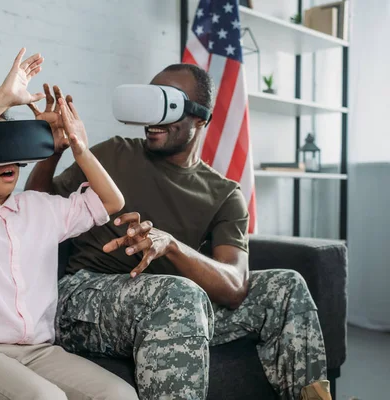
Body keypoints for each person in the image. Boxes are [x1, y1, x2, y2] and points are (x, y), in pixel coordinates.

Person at [25, 64, 331, 400]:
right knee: (179, 295)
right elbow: (37, 212)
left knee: (286, 287)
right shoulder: (114, 152)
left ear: (201, 118)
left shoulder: (224, 194)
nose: (153, 116)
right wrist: (53, 154)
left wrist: (172, 246)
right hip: (84, 296)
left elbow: (234, 287)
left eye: (168, 104)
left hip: (174, 303)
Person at [0, 48, 138, 400]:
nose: (8, 162)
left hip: (39, 353)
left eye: (12, 147)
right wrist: (3, 98)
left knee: (119, 395)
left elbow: (112, 202)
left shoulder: (39, 208)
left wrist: (77, 147)